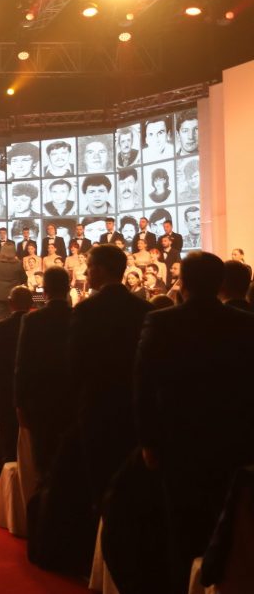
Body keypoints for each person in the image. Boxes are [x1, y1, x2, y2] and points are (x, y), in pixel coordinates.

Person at [135, 252, 254, 591]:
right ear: (220, 283)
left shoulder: (161, 321)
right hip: (232, 436)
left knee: (181, 524)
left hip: (178, 438)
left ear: (182, 282)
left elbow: (144, 385)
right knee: (226, 519)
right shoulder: (245, 323)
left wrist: (148, 441)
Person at [68, 244, 152, 506]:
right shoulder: (144, 309)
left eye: (89, 267)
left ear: (101, 270)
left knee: (98, 477)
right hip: (133, 406)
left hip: (97, 405)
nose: (86, 272)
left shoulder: (86, 310)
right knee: (133, 485)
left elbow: (76, 364)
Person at [14, 267, 73, 477]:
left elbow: (23, 364)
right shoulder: (78, 316)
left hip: (40, 398)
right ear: (68, 288)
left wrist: (20, 403)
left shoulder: (33, 319)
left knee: (43, 459)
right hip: (71, 397)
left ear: (44, 290)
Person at [0, 285, 33, 464]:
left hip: (5, 392)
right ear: (31, 304)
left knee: (9, 441)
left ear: (10, 303)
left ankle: (8, 474)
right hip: (32, 392)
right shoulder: (38, 326)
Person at [0, 243, 27, 320]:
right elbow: (24, 279)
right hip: (13, 296)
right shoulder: (18, 264)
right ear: (14, 251)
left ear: (2, 250)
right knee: (13, 319)